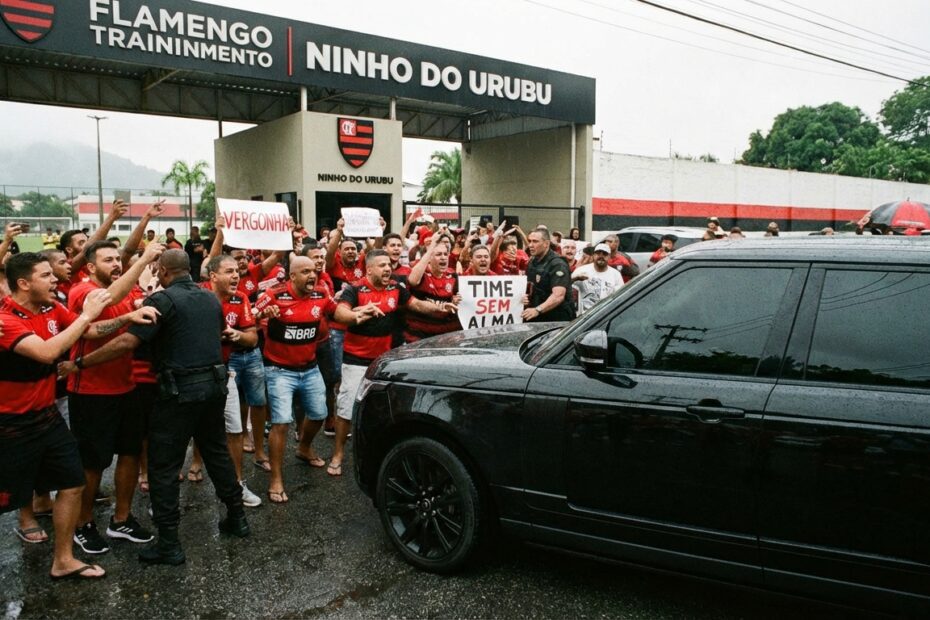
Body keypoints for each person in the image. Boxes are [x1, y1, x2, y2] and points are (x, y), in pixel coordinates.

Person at [60, 250, 250, 565]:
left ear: (161, 271)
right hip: (213, 387)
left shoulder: (162, 301)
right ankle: (237, 518)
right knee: (217, 455)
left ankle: (169, 544)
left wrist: (80, 363)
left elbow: (127, 343)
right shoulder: (210, 300)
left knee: (162, 466)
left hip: (179, 393)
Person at [1, 252, 149, 579]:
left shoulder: (53, 308)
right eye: (45, 275)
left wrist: (126, 318)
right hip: (9, 423)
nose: (55, 279)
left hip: (46, 416)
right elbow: (47, 352)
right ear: (24, 284)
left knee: (72, 482)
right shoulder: (5, 319)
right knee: (9, 494)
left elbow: (90, 332)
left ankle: (63, 560)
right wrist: (87, 315)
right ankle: (28, 522)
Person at [66, 240, 166, 555]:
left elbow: (135, 302)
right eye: (108, 260)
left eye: (117, 258)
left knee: (130, 453)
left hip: (127, 387)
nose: (115, 264)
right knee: (94, 462)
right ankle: (82, 525)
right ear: (90, 267)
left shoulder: (127, 292)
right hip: (91, 391)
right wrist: (144, 258)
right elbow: (92, 330)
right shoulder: (83, 291)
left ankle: (121, 519)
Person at [328, 250, 457, 476]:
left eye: (389, 264)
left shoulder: (396, 288)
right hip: (356, 360)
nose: (388, 269)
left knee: (383, 409)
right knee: (347, 409)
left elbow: (416, 304)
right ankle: (338, 454)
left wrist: (439, 307)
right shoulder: (355, 289)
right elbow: (340, 313)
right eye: (381, 265)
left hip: (385, 362)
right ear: (369, 269)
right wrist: (357, 315)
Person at [254, 256, 334, 503]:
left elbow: (336, 310)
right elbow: (252, 314)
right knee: (281, 422)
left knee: (319, 414)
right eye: (306, 271)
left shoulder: (321, 293)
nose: (313, 275)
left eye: (314, 271)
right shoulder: (275, 294)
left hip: (310, 368)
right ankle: (276, 479)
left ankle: (304, 448)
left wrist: (355, 314)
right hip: (278, 370)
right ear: (292, 276)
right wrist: (263, 313)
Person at [200, 254, 262, 507]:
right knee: (185, 433)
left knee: (235, 429)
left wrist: (235, 334)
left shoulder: (241, 298)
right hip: (193, 375)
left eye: (237, 271)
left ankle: (237, 485)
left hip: (224, 373)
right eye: (229, 271)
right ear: (212, 276)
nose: (236, 275)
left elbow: (252, 339)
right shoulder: (197, 295)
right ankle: (165, 495)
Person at [404, 234, 461, 343]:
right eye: (438, 254)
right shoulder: (421, 272)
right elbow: (412, 281)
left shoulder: (453, 275)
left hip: (445, 335)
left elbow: (457, 299)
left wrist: (455, 300)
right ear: (429, 258)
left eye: (445, 254)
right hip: (420, 335)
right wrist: (430, 248)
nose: (443, 257)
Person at [522, 228, 575, 323]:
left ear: (546, 243)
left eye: (535, 241)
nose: (530, 245)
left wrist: (537, 310)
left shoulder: (558, 264)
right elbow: (530, 287)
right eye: (529, 241)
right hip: (538, 318)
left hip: (557, 320)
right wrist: (525, 297)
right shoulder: (532, 262)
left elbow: (558, 295)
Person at [572, 243, 623, 315]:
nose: (601, 256)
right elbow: (566, 286)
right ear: (593, 256)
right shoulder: (581, 271)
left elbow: (619, 297)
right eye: (598, 253)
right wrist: (575, 279)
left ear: (609, 257)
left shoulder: (616, 274)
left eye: (604, 254)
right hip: (583, 316)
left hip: (605, 315)